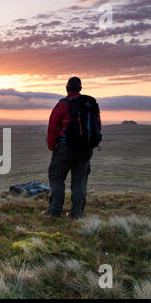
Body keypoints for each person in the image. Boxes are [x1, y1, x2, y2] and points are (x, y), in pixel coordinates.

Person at [43, 77, 102, 219]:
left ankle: (54, 211)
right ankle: (77, 214)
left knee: (56, 178)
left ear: (66, 88)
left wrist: (52, 146)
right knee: (80, 181)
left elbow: (52, 127)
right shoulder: (90, 104)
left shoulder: (62, 105)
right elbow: (97, 126)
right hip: (86, 149)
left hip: (65, 148)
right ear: (80, 88)